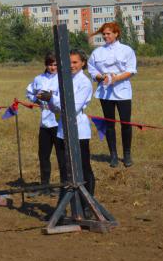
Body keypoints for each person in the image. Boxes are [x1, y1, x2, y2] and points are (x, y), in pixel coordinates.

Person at [37, 48, 96, 196]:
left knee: (83, 168)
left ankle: (87, 205)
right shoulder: (63, 80)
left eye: (75, 62)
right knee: (64, 169)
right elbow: (56, 108)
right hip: (62, 130)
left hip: (78, 131)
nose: (71, 65)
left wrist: (52, 99)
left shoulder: (84, 82)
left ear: (83, 63)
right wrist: (48, 100)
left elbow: (73, 108)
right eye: (69, 62)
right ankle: (63, 205)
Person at [87, 21, 137, 168]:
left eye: (108, 33)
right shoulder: (97, 52)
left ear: (116, 34)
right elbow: (91, 69)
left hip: (123, 92)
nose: (105, 36)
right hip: (105, 93)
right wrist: (100, 77)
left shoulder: (127, 50)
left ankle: (127, 154)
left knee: (125, 123)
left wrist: (117, 78)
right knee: (109, 124)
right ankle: (113, 155)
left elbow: (131, 70)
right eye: (104, 34)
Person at [26, 53, 60, 191]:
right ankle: (44, 185)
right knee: (43, 155)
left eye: (55, 65)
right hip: (45, 124)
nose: (53, 67)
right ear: (46, 65)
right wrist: (36, 99)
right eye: (50, 64)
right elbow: (29, 92)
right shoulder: (38, 79)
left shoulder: (63, 79)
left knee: (62, 156)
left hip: (59, 123)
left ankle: (65, 185)